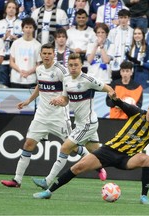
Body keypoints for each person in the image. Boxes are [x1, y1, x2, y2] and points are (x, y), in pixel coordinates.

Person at [32, 91, 149, 204]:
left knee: (147, 159)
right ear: (147, 109)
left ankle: (143, 196)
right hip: (108, 151)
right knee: (78, 167)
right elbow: (121, 104)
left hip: (126, 159)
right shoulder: (136, 113)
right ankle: (49, 191)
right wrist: (113, 97)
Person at [31, 53, 115, 189]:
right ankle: (103, 167)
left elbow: (108, 89)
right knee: (98, 154)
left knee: (65, 147)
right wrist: (59, 101)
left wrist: (114, 98)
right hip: (81, 122)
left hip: (88, 123)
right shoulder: (66, 80)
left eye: (76, 65)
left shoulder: (88, 80)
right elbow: (65, 100)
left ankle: (47, 181)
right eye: (70, 65)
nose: (73, 68)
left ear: (81, 65)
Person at [1, 43, 71, 188]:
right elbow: (40, 86)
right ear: (40, 55)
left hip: (59, 115)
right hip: (41, 115)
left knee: (73, 146)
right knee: (28, 144)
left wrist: (63, 100)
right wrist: (28, 101)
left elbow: (70, 87)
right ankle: (17, 180)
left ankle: (97, 165)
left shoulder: (60, 70)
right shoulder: (39, 69)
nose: (46, 56)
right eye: (44, 53)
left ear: (54, 54)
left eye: (49, 53)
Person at [0, 0, 23, 87]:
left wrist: (16, 38)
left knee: (15, 85)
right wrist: (4, 38)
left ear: (16, 10)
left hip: (16, 61)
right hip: (3, 60)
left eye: (14, 8)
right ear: (5, 9)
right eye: (9, 7)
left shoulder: (21, 23)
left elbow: (25, 42)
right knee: (3, 86)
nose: (11, 10)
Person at [9, 17, 41, 88]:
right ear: (23, 28)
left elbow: (38, 64)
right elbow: (11, 62)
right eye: (26, 27)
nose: (28, 30)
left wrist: (28, 72)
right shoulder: (16, 43)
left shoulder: (38, 45)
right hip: (16, 79)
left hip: (31, 80)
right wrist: (20, 71)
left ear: (33, 29)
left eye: (30, 27)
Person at [66, 9, 95, 73]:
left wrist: (82, 51)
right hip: (72, 61)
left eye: (83, 18)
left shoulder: (92, 32)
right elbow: (65, 47)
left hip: (86, 62)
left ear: (87, 19)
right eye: (79, 17)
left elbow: (94, 48)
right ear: (75, 19)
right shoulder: (69, 31)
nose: (81, 19)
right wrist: (74, 50)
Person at [107, 9, 133, 80]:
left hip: (128, 64)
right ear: (118, 19)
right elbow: (109, 48)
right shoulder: (112, 32)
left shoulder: (133, 32)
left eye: (125, 17)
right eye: (121, 18)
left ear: (129, 18)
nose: (123, 20)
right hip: (115, 63)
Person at [126, 27, 149, 93]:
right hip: (131, 79)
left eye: (139, 33)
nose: (137, 35)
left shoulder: (147, 47)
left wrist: (140, 63)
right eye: (135, 34)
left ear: (143, 35)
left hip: (143, 80)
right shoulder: (130, 48)